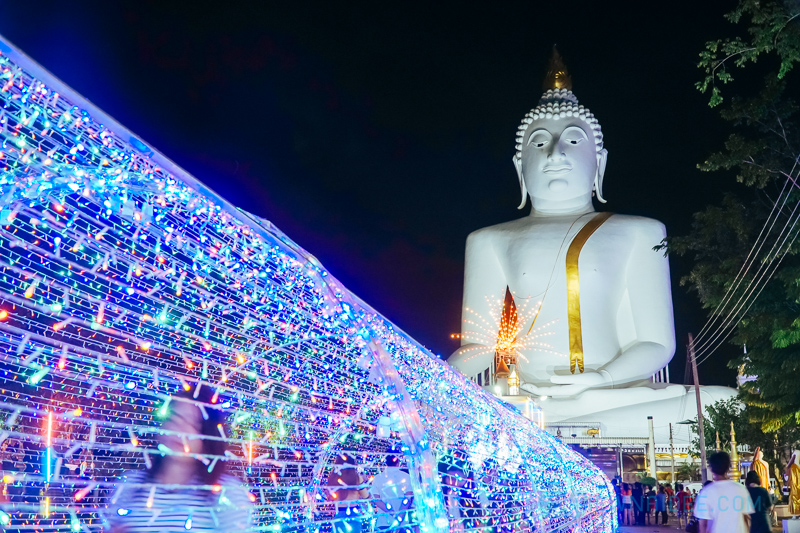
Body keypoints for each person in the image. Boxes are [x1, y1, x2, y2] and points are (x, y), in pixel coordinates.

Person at [105, 384, 253, 532]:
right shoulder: (129, 484)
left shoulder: (227, 493)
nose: (180, 429)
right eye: (175, 417)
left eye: (193, 423)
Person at [694, 451, 754, 533]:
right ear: (728, 467)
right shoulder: (741, 489)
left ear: (711, 468)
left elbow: (703, 524)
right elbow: (746, 518)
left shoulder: (706, 492)